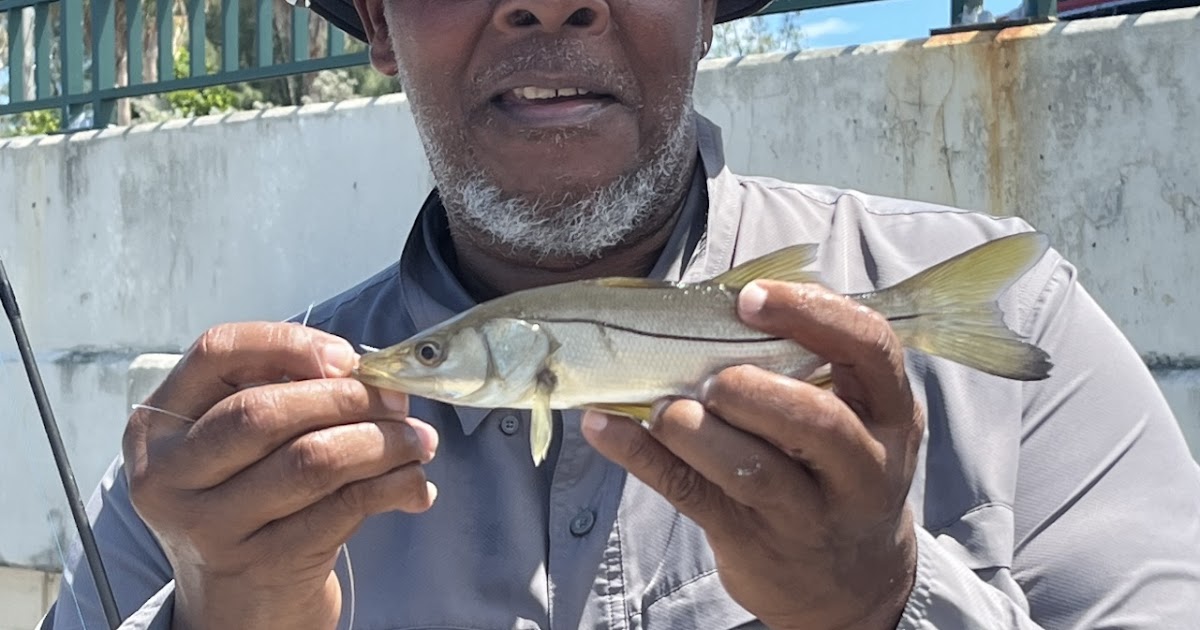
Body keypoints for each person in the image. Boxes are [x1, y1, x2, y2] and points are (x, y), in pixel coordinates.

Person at [46, 0, 1200, 628]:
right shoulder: (218, 460)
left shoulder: (1020, 337)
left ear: (707, 11)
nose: (551, 0)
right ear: (380, 22)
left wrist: (888, 608)